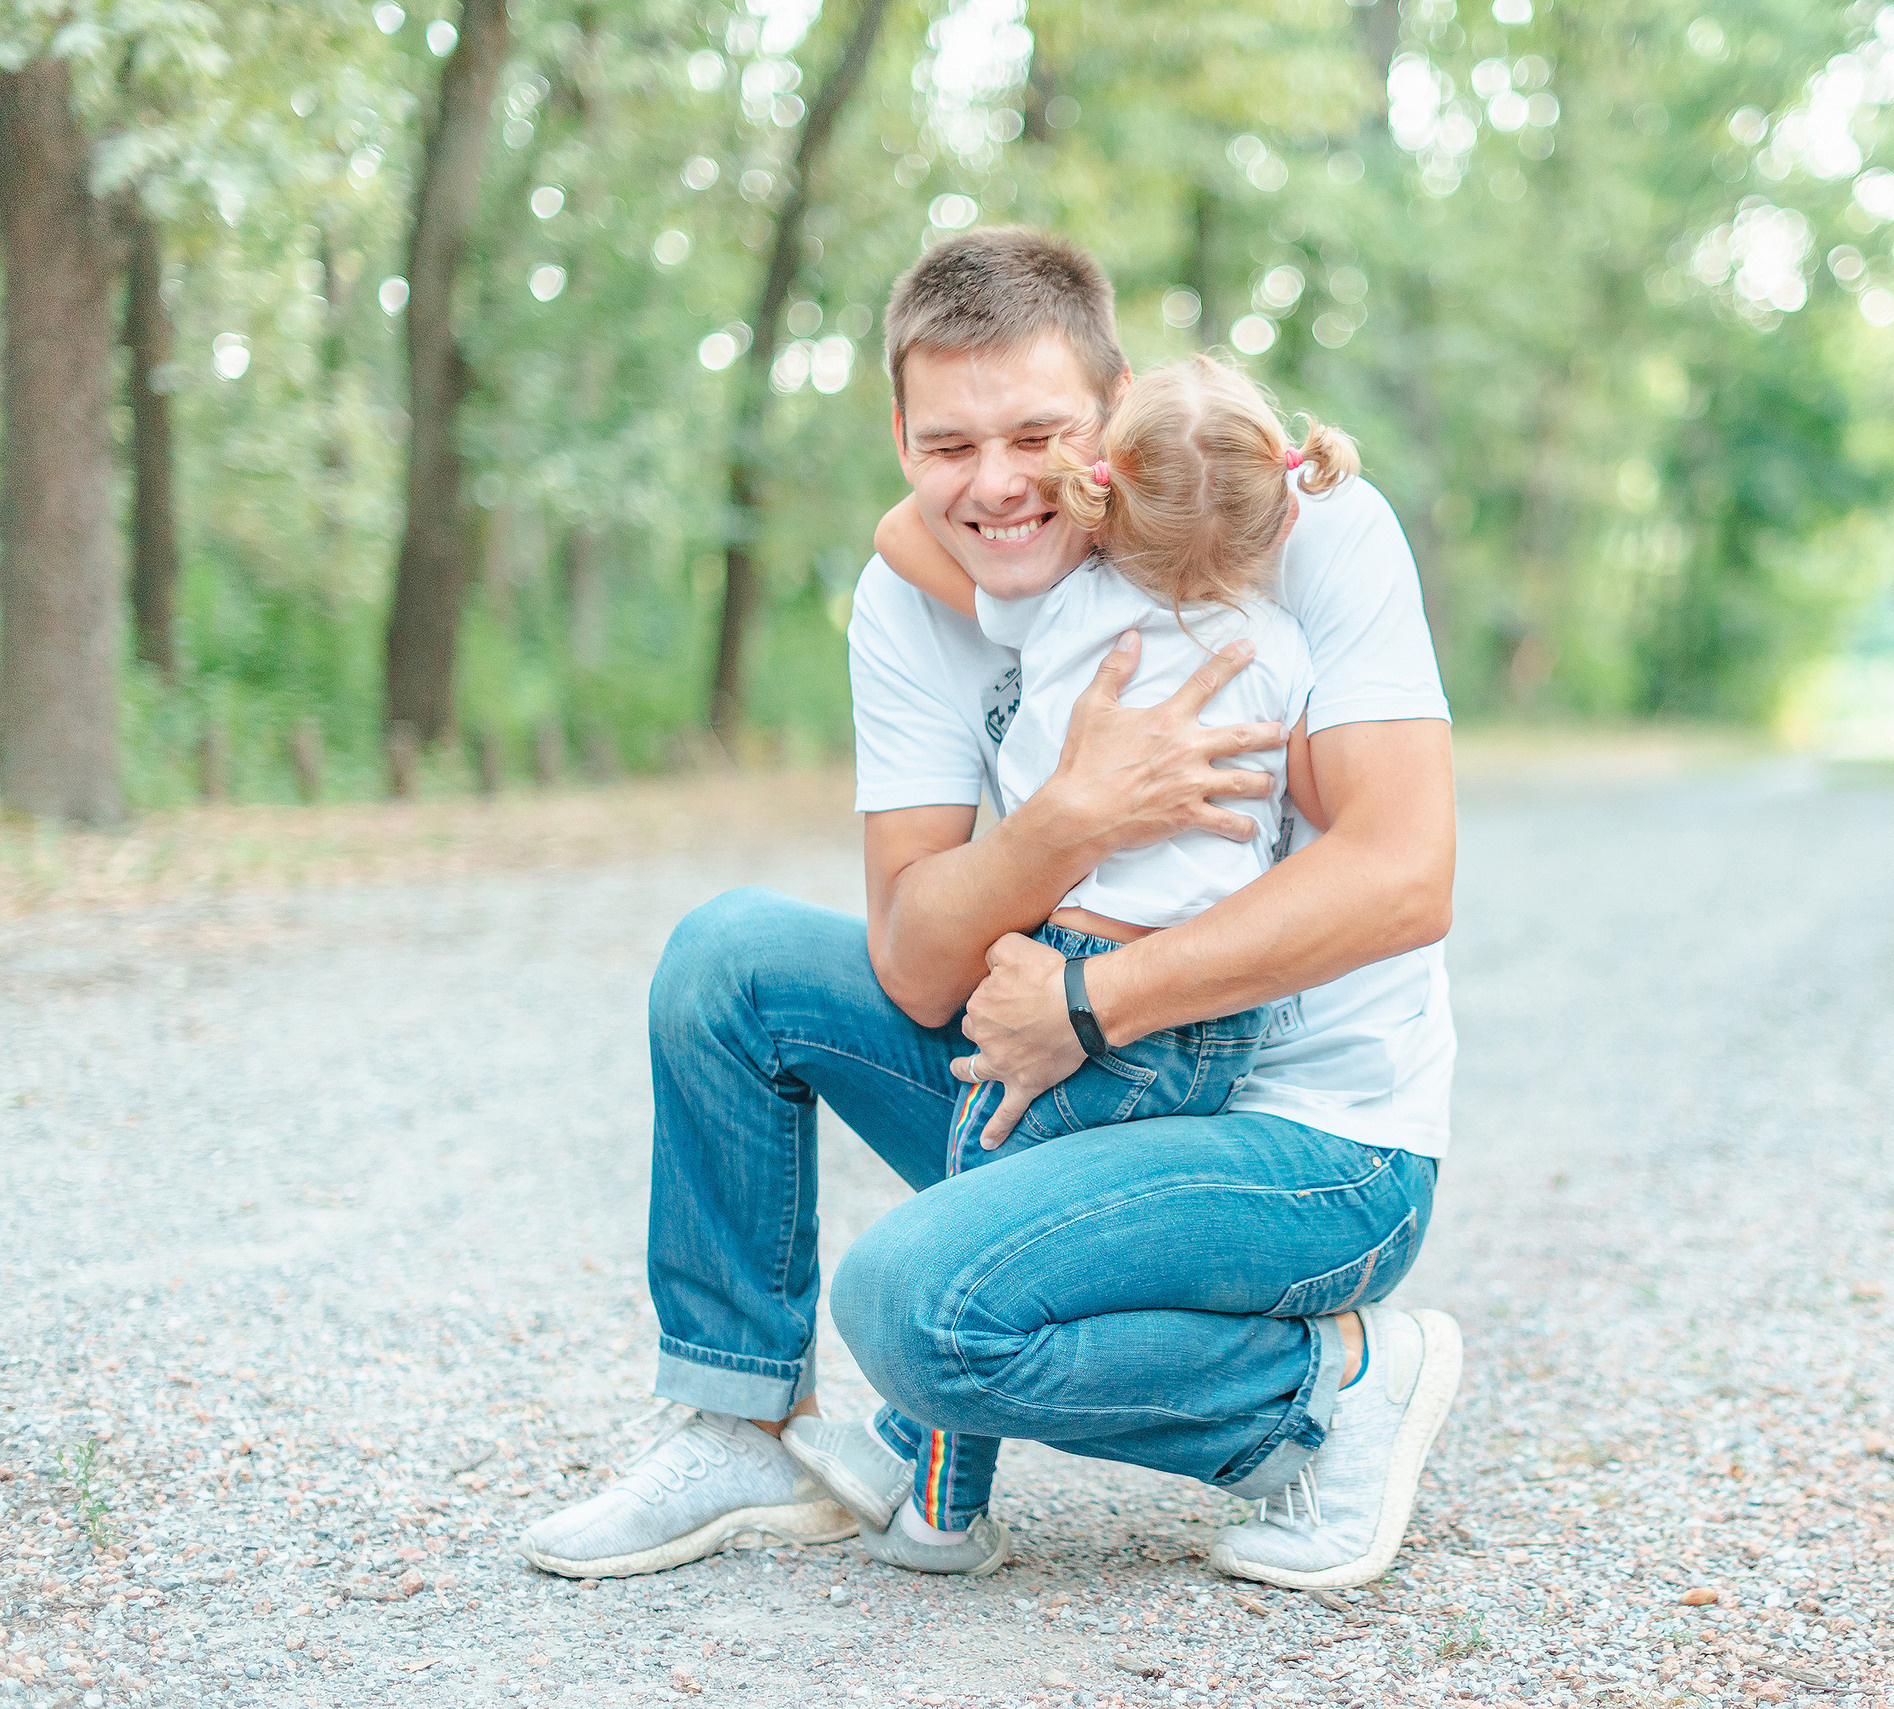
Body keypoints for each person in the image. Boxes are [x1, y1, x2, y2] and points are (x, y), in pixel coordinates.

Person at [516, 227, 1460, 1593]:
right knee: (728, 961)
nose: (999, 484)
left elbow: (1404, 874)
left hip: (1313, 1145)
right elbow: (914, 963)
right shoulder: (917, 601)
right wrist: (1074, 815)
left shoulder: (1286, 523)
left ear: (1117, 418)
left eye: (1036, 435)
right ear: (899, 439)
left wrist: (1088, 1000)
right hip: (1062, 1062)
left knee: (914, 1305)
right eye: (949, 445)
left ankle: (1327, 1389)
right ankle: (744, 1429)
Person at [873, 353, 1358, 1166]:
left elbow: (895, 535)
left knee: (982, 1175)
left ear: (1101, 506)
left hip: (1082, 973)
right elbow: (1321, 799)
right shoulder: (1279, 643)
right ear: (1283, 524)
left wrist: (990, 469)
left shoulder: (1063, 607)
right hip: (1221, 1009)